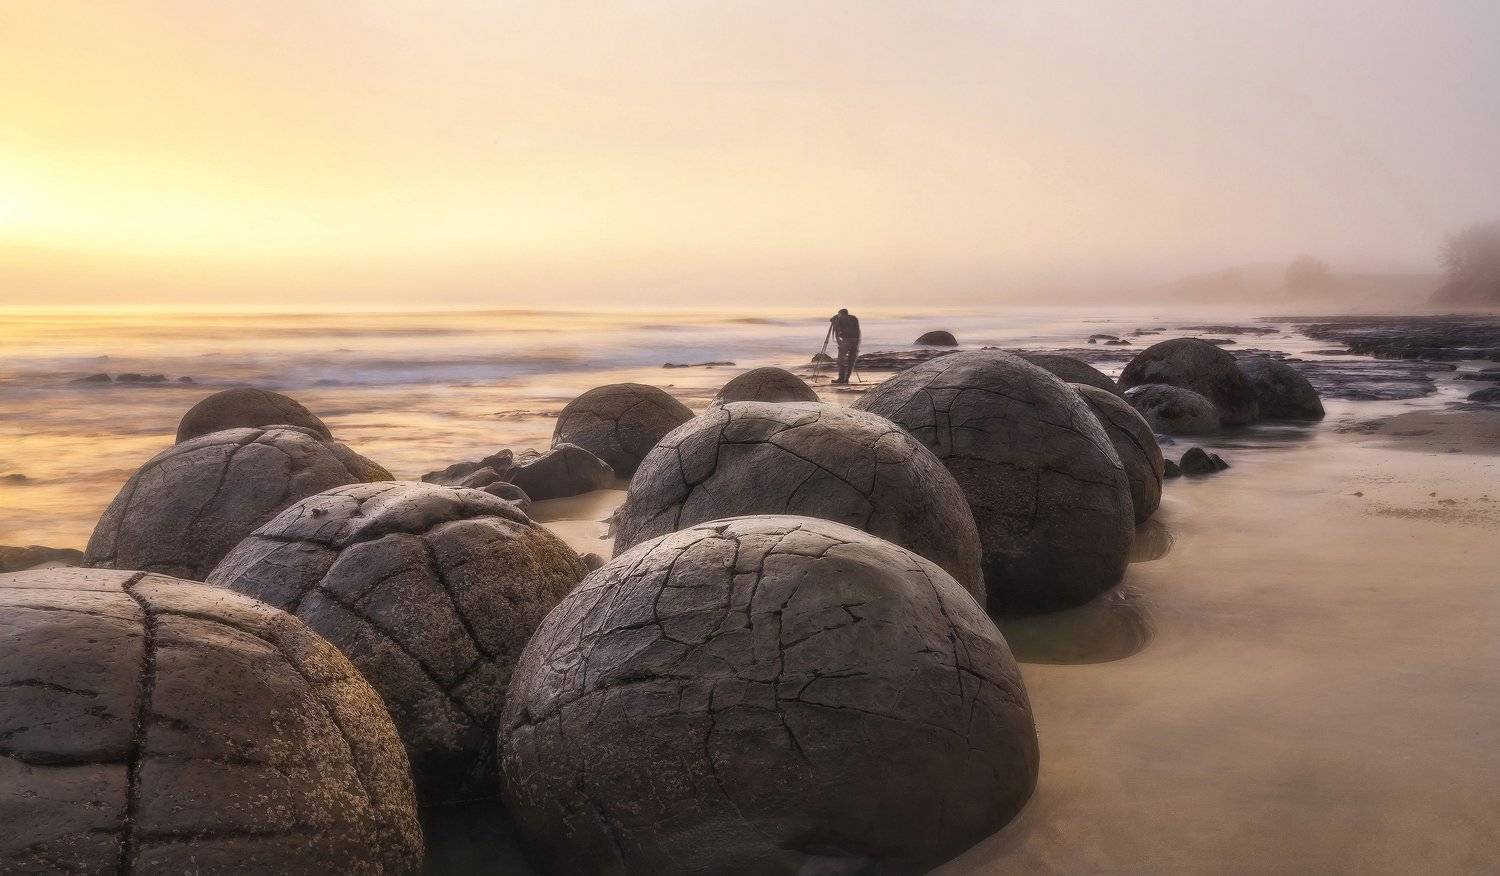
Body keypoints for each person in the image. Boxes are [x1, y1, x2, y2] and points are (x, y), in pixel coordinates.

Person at [826, 308, 861, 384]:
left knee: (840, 360)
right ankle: (846, 379)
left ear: (841, 314)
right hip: (856, 341)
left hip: (847, 341)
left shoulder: (841, 319)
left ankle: (841, 378)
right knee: (851, 361)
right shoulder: (854, 318)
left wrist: (835, 319)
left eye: (839, 314)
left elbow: (833, 322)